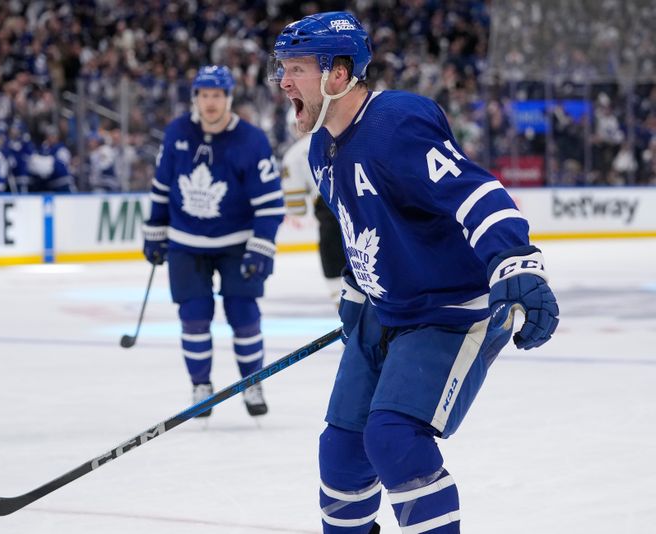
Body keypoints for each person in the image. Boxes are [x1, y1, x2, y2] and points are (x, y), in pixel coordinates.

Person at [271, 12, 559, 534]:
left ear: (339, 74)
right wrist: (357, 297)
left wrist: (516, 262)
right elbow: (370, 230)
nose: (283, 82)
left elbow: (476, 192)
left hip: (449, 312)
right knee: (341, 453)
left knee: (394, 439)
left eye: (296, 68)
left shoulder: (396, 123)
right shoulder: (320, 149)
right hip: (387, 312)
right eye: (282, 69)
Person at [142, 65, 285, 417]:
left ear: (229, 98)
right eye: (204, 95)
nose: (210, 102)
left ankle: (252, 383)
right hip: (186, 244)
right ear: (195, 98)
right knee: (193, 316)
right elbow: (162, 187)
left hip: (237, 244)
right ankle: (201, 387)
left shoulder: (251, 140)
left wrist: (262, 245)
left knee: (244, 315)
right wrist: (155, 229)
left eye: (217, 95)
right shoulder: (177, 132)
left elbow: (270, 203)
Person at [281, 112, 347, 304]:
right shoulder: (344, 137)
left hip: (328, 216)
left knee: (338, 283)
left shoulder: (294, 154)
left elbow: (297, 207)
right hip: (359, 207)